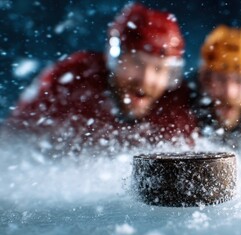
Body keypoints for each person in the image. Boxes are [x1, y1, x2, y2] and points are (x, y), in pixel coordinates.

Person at [2, 3, 197, 157]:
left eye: (159, 69)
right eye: (136, 63)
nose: (145, 79)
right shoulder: (73, 79)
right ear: (113, 58)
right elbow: (11, 142)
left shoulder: (176, 105)